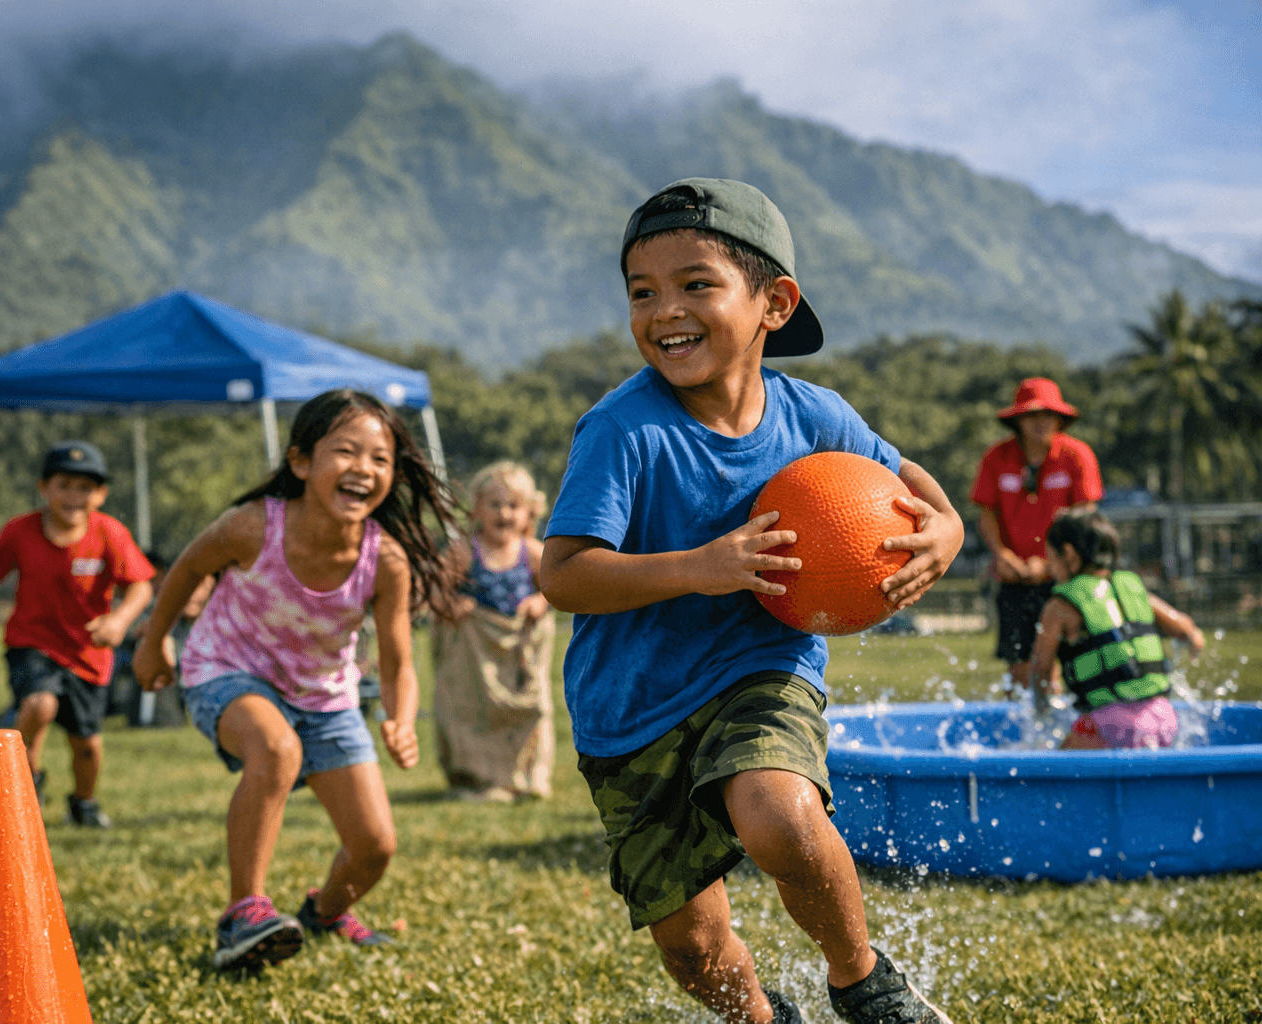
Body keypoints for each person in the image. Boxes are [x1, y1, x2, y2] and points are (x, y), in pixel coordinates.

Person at [539, 179, 963, 1024]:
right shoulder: (623, 429)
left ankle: (862, 979)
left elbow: (916, 490)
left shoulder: (819, 417)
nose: (667, 310)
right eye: (643, 291)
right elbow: (565, 574)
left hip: (762, 666)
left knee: (780, 814)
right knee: (690, 946)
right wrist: (700, 565)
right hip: (633, 710)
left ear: (774, 302)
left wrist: (945, 531)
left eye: (697, 283)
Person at [132, 390, 458, 975]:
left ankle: (326, 912)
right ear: (303, 462)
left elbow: (397, 660)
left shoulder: (386, 562)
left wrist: (401, 718)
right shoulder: (253, 526)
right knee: (276, 748)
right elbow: (187, 567)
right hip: (226, 669)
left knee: (375, 847)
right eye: (347, 451)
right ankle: (242, 914)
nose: (364, 468)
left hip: (324, 697)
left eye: (380, 458)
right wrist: (155, 640)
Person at [0, 440, 155, 828]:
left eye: (85, 488)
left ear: (101, 494)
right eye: (64, 485)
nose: (74, 496)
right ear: (44, 488)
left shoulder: (110, 533)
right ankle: (30, 782)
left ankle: (85, 801)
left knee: (87, 745)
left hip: (88, 653)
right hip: (32, 643)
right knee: (39, 705)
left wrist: (119, 621)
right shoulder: (20, 531)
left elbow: (142, 585)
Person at [1026, 509, 1204, 749]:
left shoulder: (1060, 605)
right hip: (1164, 718)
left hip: (1109, 727)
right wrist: (1192, 642)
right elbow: (1187, 631)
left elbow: (1040, 669)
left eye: (1051, 558)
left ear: (1068, 553)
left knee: (1050, 772)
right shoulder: (1132, 588)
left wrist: (1041, 709)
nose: (1051, 568)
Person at [433, 460, 555, 802]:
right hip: (476, 661)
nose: (505, 513)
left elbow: (555, 587)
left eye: (514, 506)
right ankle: (479, 776)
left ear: (529, 513)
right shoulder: (462, 553)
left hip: (517, 654)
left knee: (528, 710)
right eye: (495, 504)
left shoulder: (531, 552)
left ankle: (527, 775)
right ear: (476, 512)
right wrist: (452, 607)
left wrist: (539, 601)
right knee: (474, 713)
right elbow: (436, 592)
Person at [970, 378, 1102, 691]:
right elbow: (986, 514)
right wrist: (1002, 556)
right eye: (1031, 415)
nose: (1040, 422)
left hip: (1065, 580)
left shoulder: (1076, 455)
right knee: (1019, 672)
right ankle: (1025, 735)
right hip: (1013, 579)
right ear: (1017, 420)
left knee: (1065, 667)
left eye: (1048, 414)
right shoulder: (996, 457)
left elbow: (1085, 517)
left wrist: (1051, 563)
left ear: (1060, 419)